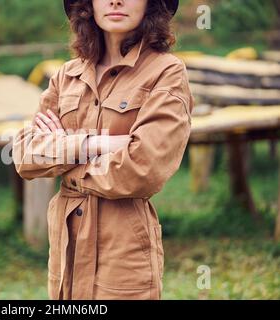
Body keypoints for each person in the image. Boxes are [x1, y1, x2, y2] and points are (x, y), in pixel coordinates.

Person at [12, 0, 193, 300]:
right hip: (65, 249)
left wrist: (63, 157)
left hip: (122, 250)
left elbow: (142, 168)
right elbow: (24, 155)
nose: (116, 1)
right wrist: (96, 144)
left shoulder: (166, 73)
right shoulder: (66, 76)